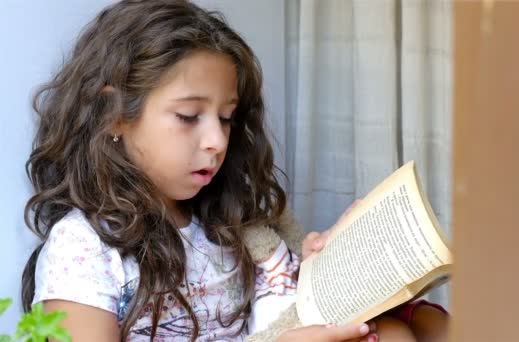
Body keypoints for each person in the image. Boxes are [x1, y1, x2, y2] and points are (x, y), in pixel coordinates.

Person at [20, 1, 447, 341]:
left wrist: (330, 260)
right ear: (114, 113)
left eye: (225, 118)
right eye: (189, 116)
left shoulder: (235, 213)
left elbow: (292, 295)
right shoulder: (84, 247)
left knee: (423, 326)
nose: (217, 141)